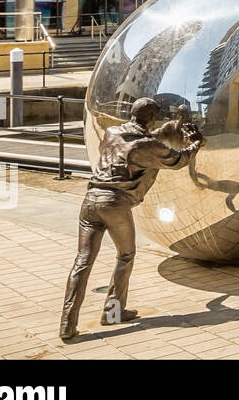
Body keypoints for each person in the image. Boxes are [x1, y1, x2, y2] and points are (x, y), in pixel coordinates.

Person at [58, 97, 204, 341]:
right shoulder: (147, 146)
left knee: (82, 262)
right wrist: (196, 143)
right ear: (150, 118)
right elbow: (178, 159)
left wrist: (167, 130)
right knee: (125, 255)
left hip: (90, 200)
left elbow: (137, 139)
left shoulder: (111, 132)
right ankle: (113, 312)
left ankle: (67, 324)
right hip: (115, 204)